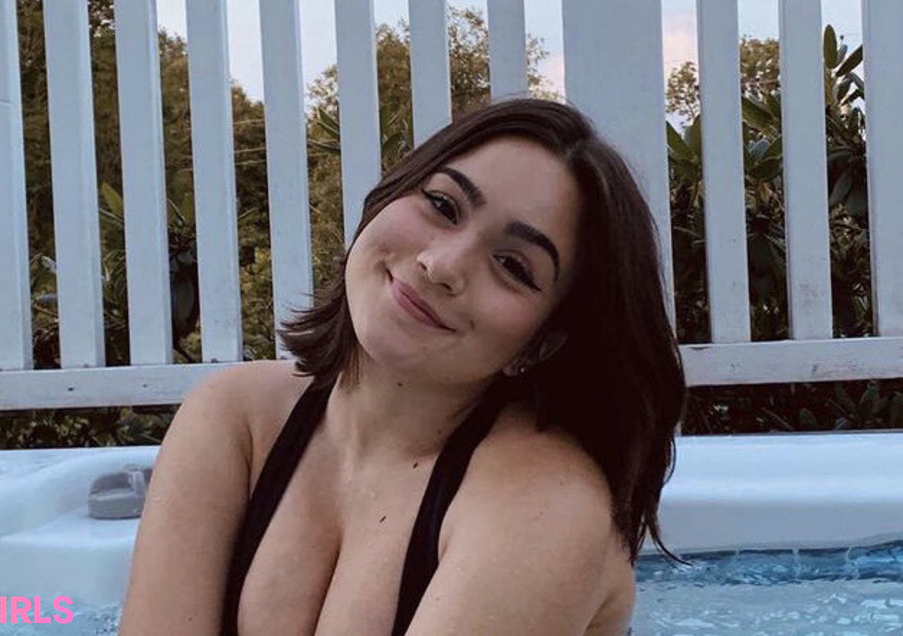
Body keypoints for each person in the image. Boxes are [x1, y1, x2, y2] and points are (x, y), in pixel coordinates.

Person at [119, 98, 687, 635]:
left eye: (513, 266)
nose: (442, 265)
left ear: (540, 345)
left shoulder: (547, 504)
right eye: (442, 205)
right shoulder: (237, 420)